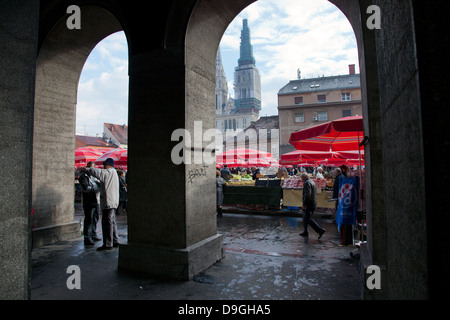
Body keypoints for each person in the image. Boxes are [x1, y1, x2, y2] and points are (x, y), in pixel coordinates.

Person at [87, 158, 120, 251]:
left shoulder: (108, 172)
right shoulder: (113, 173)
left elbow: (98, 172)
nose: (103, 166)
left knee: (107, 223)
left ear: (108, 164)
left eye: (104, 164)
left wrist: (88, 169)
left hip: (108, 202)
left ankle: (108, 244)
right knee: (112, 222)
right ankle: (115, 240)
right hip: (113, 201)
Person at [78, 161, 101, 245]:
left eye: (93, 168)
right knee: (89, 219)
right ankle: (87, 237)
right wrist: (96, 188)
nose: (91, 170)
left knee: (95, 218)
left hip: (96, 200)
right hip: (89, 201)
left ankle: (93, 234)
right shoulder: (83, 176)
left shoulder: (94, 176)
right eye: (90, 168)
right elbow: (86, 188)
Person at [299, 172, 325, 239]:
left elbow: (307, 195)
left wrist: (304, 204)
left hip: (309, 204)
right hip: (312, 202)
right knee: (305, 218)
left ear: (304, 177)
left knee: (308, 218)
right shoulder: (311, 181)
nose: (301, 180)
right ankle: (305, 231)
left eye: (301, 178)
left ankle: (320, 230)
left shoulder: (307, 183)